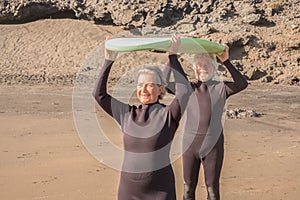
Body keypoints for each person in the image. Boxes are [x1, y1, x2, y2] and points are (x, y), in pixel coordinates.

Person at [92, 34, 190, 200]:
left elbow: (185, 91)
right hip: (128, 191)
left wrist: (173, 57)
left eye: (150, 85)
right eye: (140, 85)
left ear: (161, 89)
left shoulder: (168, 115)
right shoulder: (127, 114)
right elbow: (99, 94)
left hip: (160, 191)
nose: (143, 89)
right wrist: (108, 60)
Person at [163, 45, 248, 200]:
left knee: (213, 191)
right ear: (195, 69)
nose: (203, 68)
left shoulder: (221, 88)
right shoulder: (187, 88)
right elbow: (164, 82)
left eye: (207, 65)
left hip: (213, 147)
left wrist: (226, 61)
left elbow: (242, 83)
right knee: (188, 190)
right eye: (199, 65)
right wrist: (171, 57)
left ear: (213, 69)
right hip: (190, 146)